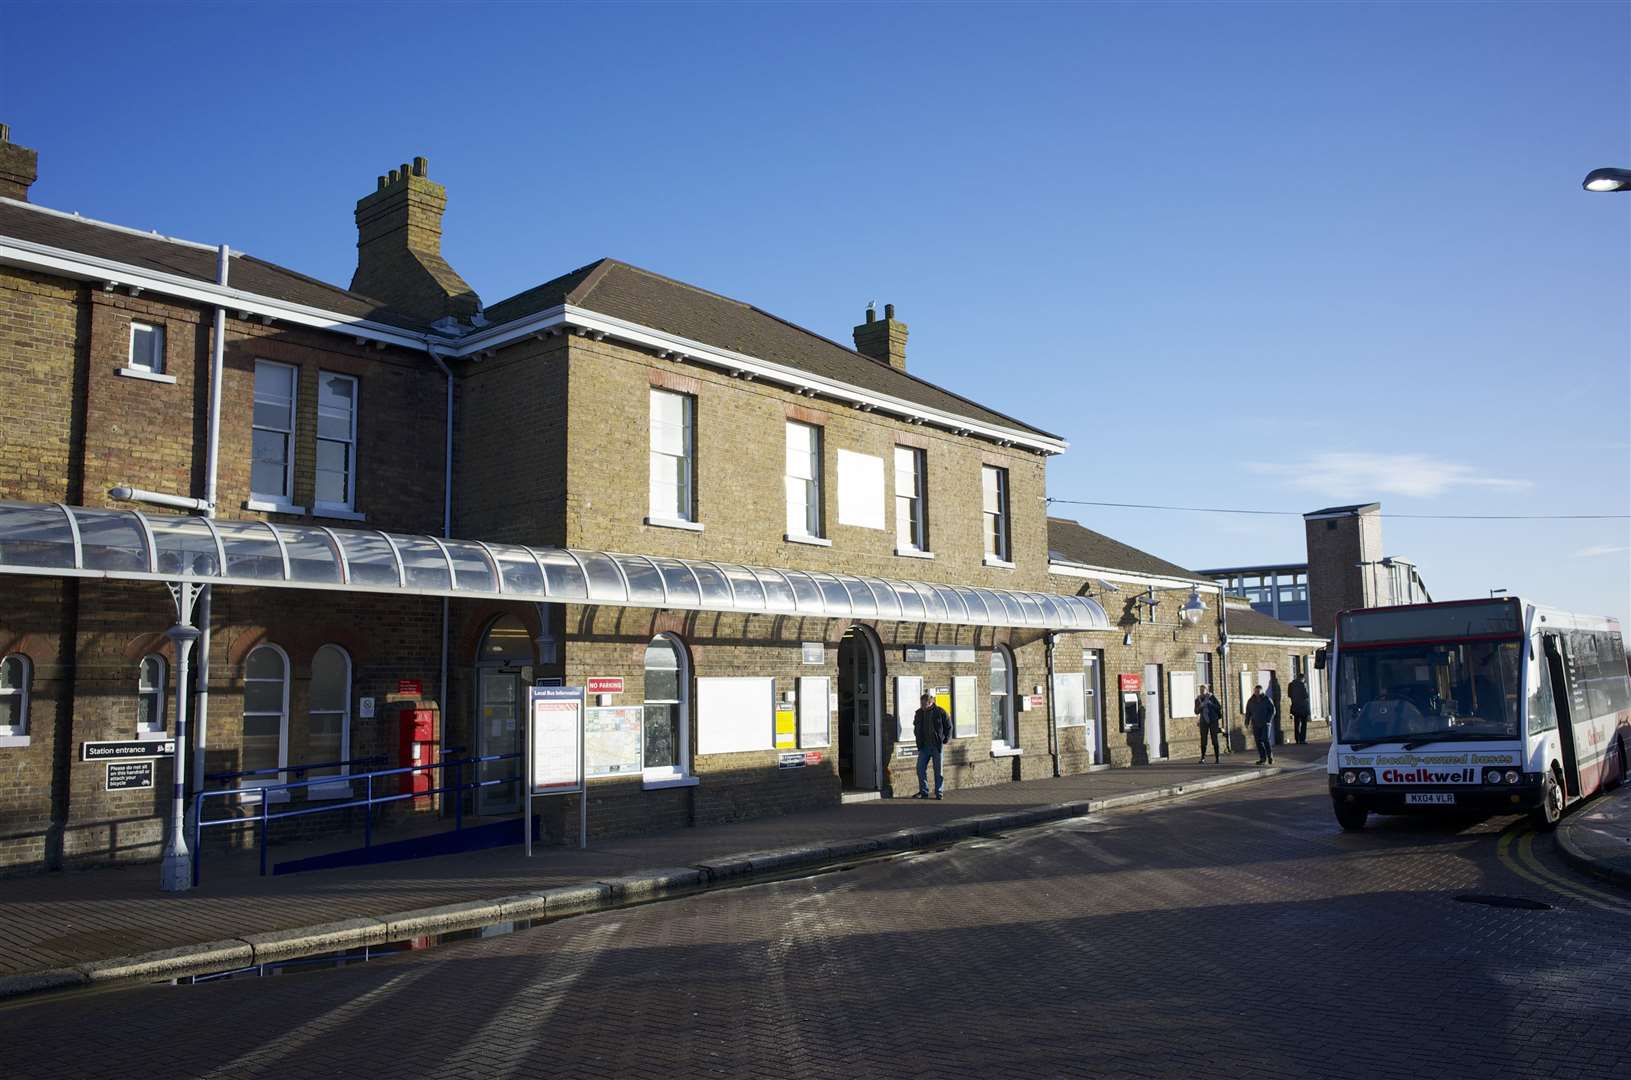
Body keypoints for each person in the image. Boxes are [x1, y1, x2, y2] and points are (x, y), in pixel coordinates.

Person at [911, 692, 953, 800]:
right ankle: (924, 791)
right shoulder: (919, 713)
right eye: (921, 704)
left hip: (936, 746)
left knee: (938, 770)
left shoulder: (940, 712)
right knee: (920, 768)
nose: (922, 706)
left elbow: (949, 726)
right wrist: (917, 735)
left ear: (930, 703)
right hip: (924, 746)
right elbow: (916, 726)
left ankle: (939, 792)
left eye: (924, 704)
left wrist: (945, 739)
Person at [1246, 684, 1275, 765]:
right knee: (1258, 742)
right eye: (1255, 691)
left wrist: (1268, 720)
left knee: (1265, 740)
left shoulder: (1267, 699)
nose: (1257, 693)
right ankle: (1262, 758)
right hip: (1255, 723)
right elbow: (1248, 712)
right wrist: (1247, 722)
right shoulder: (1251, 700)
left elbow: (1272, 710)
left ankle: (1270, 757)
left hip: (1265, 723)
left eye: (1258, 691)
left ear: (1262, 691)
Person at [1195, 684, 1223, 764]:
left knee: (1214, 739)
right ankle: (1203, 758)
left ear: (1206, 690)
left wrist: (1211, 704)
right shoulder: (1198, 699)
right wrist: (1200, 707)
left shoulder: (1211, 697)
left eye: (1203, 690)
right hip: (1203, 721)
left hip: (1213, 720)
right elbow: (1196, 711)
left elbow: (1219, 707)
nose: (1202, 691)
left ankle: (1217, 758)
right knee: (1203, 739)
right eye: (1200, 690)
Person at [1288, 673, 1311, 744]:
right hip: (1303, 707)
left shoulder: (1291, 685)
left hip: (1295, 706)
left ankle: (1297, 739)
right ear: (1302, 678)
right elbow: (1306, 695)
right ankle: (1302, 739)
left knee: (1296, 723)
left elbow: (1289, 695)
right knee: (1304, 724)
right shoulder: (1303, 684)